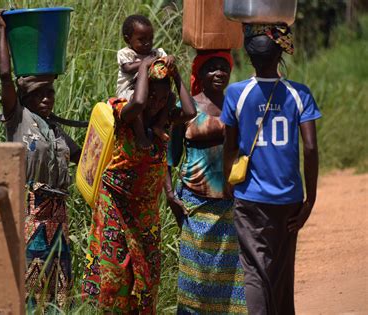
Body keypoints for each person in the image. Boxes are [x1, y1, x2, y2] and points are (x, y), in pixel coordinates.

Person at [82, 55, 196, 313]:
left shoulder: (164, 120)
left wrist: (176, 76)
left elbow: (190, 112)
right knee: (114, 274)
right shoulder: (125, 111)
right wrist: (145, 65)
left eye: (162, 98)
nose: (155, 103)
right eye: (152, 96)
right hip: (115, 203)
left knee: (147, 277)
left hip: (145, 210)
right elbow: (141, 101)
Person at [221, 24, 321, 315]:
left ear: (250, 58)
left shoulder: (236, 94)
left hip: (250, 197)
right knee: (281, 270)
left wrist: (230, 180)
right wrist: (310, 199)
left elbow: (230, 145)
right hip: (288, 199)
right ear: (280, 55)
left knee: (254, 270)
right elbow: (311, 148)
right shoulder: (299, 94)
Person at [0, 10, 81, 311]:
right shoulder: (19, 119)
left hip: (59, 221)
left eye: (50, 92)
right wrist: (3, 31)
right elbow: (5, 75)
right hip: (30, 218)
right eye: (40, 93)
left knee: (59, 292)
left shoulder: (55, 130)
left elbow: (83, 156)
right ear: (26, 97)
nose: (47, 98)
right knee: (30, 287)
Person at [165, 51, 247, 314]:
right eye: (211, 68)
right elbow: (169, 157)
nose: (219, 73)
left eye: (223, 67)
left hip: (229, 204)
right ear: (198, 74)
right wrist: (170, 196)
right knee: (195, 278)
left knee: (231, 278)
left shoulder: (236, 107)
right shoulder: (188, 110)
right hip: (194, 201)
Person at [117, 14, 176, 149]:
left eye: (150, 39)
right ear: (128, 39)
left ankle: (159, 126)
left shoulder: (156, 52)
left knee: (171, 97)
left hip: (150, 91)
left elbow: (166, 60)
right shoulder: (126, 53)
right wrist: (145, 63)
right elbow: (127, 68)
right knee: (136, 100)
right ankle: (141, 136)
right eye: (142, 40)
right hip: (128, 90)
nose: (147, 43)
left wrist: (170, 58)